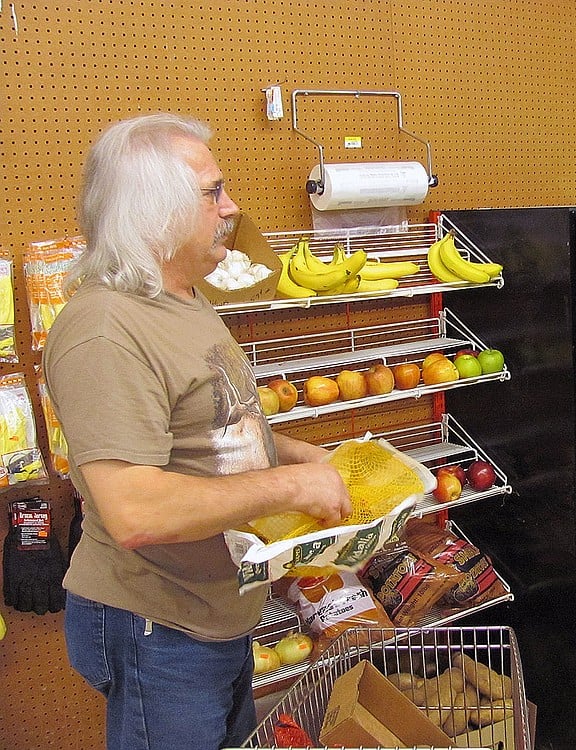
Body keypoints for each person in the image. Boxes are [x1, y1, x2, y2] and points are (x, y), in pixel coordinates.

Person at [42, 113, 352, 750]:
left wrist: (313, 459)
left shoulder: (180, 298)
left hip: (215, 615)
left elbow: (215, 431)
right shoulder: (105, 329)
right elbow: (135, 511)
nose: (231, 207)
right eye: (212, 192)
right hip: (155, 625)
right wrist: (291, 487)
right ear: (153, 212)